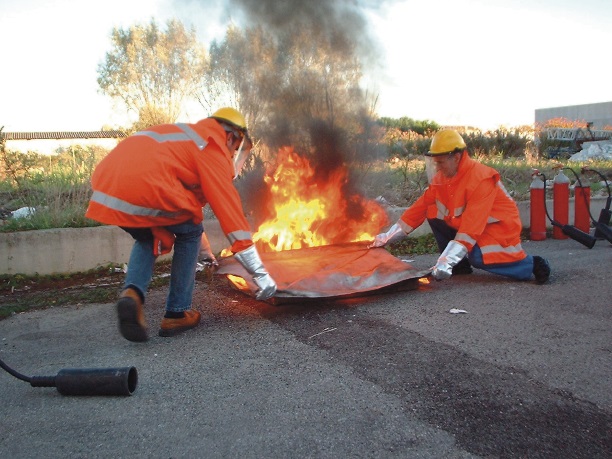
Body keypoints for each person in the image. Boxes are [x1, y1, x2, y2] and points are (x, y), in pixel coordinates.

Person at [86, 108, 277, 342]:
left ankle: (132, 294)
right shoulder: (211, 145)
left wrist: (206, 253)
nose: (233, 153)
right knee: (189, 232)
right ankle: (177, 312)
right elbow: (230, 214)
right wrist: (259, 273)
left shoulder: (186, 137)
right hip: (148, 186)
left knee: (149, 236)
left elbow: (189, 215)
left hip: (108, 186)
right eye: (235, 148)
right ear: (230, 136)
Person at [370, 129, 551, 284]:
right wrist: (385, 238)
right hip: (473, 226)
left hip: (497, 229)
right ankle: (460, 265)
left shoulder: (480, 179)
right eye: (435, 163)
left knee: (479, 258)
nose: (437, 168)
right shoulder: (443, 180)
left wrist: (446, 261)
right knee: (432, 211)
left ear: (456, 157)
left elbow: (471, 227)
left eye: (440, 162)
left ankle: (530, 265)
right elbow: (418, 210)